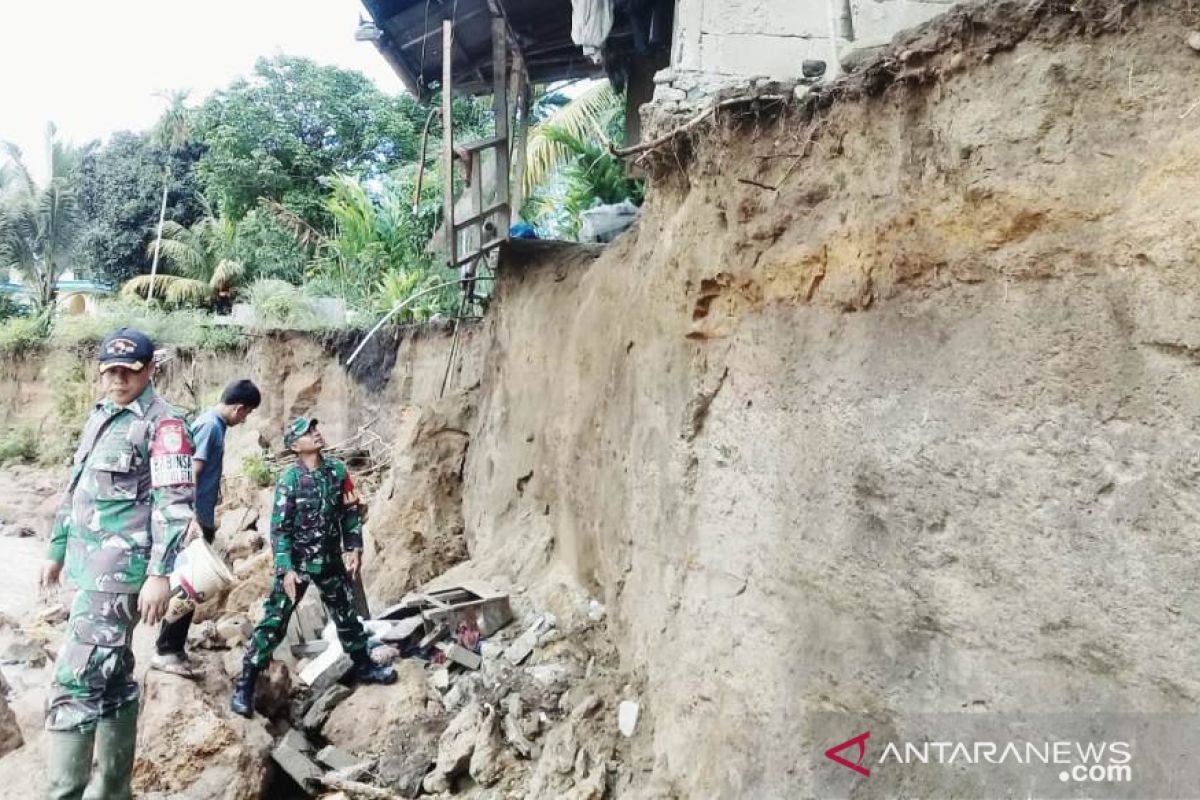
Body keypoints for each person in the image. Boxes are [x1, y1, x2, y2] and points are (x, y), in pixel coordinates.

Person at [40, 328, 195, 800]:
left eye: (128, 371)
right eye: (110, 371)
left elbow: (175, 506)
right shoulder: (103, 415)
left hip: (122, 576)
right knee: (112, 679)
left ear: (150, 370)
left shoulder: (165, 426)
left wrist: (159, 575)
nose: (118, 379)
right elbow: (78, 487)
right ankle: (113, 792)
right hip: (90, 570)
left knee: (75, 680)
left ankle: (65, 791)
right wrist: (56, 549)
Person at [230, 417, 395, 717]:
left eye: (316, 429)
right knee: (273, 624)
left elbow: (350, 513)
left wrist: (354, 547)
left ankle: (365, 666)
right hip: (298, 564)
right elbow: (279, 530)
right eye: (307, 432)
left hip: (330, 561)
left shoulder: (337, 472)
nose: (316, 434)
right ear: (295, 446)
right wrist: (286, 569)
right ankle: (246, 684)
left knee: (347, 617)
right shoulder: (289, 481)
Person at [151, 379, 262, 677]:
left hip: (198, 518)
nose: (245, 419)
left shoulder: (211, 424)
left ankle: (173, 647)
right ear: (239, 408)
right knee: (189, 586)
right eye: (247, 414)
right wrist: (191, 519)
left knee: (191, 586)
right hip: (194, 521)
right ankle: (166, 650)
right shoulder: (211, 426)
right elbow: (192, 471)